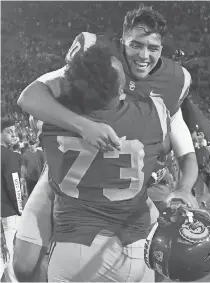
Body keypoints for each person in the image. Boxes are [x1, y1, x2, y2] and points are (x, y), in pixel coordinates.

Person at [14, 5, 198, 281]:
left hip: (137, 180)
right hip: (68, 173)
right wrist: (84, 125)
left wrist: (183, 188)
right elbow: (29, 97)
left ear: (162, 48)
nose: (143, 55)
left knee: (162, 259)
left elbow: (185, 148)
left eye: (152, 47)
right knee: (24, 266)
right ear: (122, 40)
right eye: (135, 45)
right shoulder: (96, 60)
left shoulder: (175, 82)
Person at [32, 43, 171, 281]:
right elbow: (165, 145)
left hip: (72, 249)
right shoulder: (152, 114)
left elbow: (33, 94)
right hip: (133, 250)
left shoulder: (49, 122)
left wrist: (72, 77)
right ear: (119, 91)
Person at [1, 118, 23, 282]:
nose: (14, 135)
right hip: (7, 211)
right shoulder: (9, 156)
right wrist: (20, 209)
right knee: (6, 252)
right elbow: (14, 186)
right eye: (10, 132)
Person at [194, 138, 210, 208]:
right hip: (206, 172)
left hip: (197, 172)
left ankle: (197, 206)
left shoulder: (195, 150)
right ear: (205, 143)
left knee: (199, 192)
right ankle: (203, 201)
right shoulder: (207, 150)